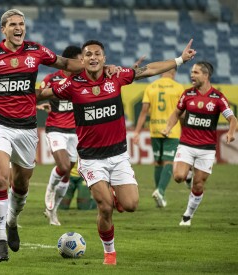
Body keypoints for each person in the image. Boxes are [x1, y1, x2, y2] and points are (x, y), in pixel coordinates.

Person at [0, 9, 117, 262]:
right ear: (3, 30)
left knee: (21, 186)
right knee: (0, 179)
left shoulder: (36, 51)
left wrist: (99, 66)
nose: (19, 28)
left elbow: (65, 63)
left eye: (22, 24)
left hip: (27, 127)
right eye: (13, 25)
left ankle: (12, 220)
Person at [37, 39, 196, 265]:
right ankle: (109, 252)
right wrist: (4, 97)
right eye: (88, 54)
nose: (93, 58)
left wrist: (180, 59)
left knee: (130, 205)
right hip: (91, 159)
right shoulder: (72, 85)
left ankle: (115, 194)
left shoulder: (116, 76)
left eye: (97, 54)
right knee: (105, 207)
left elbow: (148, 69)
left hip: (118, 155)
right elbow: (42, 93)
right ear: (81, 60)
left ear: (104, 58)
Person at [161, 61, 237, 227]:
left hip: (207, 149)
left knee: (198, 184)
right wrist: (168, 127)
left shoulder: (218, 98)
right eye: (192, 72)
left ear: (205, 75)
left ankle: (188, 215)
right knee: (179, 177)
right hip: (187, 144)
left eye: (195, 72)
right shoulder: (187, 94)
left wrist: (231, 133)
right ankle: (187, 174)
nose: (191, 75)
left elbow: (232, 119)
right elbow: (176, 113)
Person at [40, 45, 82, 226]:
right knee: (63, 166)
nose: (83, 63)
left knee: (67, 175)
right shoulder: (51, 79)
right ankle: (49, 189)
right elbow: (35, 96)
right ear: (70, 62)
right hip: (56, 128)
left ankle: (53, 212)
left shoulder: (82, 79)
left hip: (75, 131)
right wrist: (37, 106)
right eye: (80, 59)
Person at [133, 68, 184, 208]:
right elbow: (182, 113)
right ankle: (160, 191)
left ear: (162, 72)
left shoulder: (151, 87)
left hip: (155, 129)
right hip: (171, 130)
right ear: (174, 73)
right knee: (169, 161)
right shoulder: (179, 88)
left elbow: (143, 112)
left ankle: (159, 195)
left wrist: (137, 132)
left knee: (158, 162)